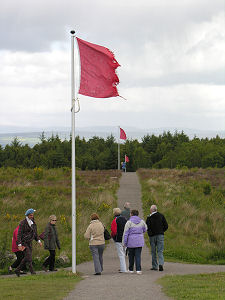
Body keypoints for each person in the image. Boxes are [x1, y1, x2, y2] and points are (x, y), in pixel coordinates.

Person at [15, 208, 42, 277]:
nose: (32, 216)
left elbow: (35, 233)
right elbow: (19, 234)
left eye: (32, 215)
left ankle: (18, 270)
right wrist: (19, 244)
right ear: (27, 215)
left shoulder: (33, 222)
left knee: (28, 257)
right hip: (24, 242)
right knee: (29, 257)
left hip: (30, 242)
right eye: (31, 215)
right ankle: (32, 272)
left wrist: (38, 241)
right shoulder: (22, 223)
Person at [122, 210, 147, 274]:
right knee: (138, 256)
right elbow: (145, 229)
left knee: (131, 256)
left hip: (131, 241)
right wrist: (140, 233)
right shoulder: (142, 221)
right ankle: (138, 270)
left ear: (131, 214)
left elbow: (125, 233)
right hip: (139, 241)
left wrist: (124, 242)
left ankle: (131, 269)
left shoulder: (129, 222)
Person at [146, 205, 168, 271]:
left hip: (152, 236)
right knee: (160, 251)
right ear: (156, 209)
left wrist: (150, 233)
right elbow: (166, 226)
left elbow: (147, 227)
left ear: (151, 210)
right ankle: (161, 264)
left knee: (153, 251)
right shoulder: (161, 215)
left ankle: (155, 266)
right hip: (160, 235)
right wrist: (161, 231)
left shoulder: (149, 217)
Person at [111, 208, 127, 273]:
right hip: (125, 238)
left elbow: (114, 231)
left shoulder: (115, 220)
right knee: (124, 253)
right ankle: (123, 267)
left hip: (118, 239)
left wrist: (113, 236)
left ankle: (123, 269)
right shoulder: (124, 219)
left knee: (121, 255)